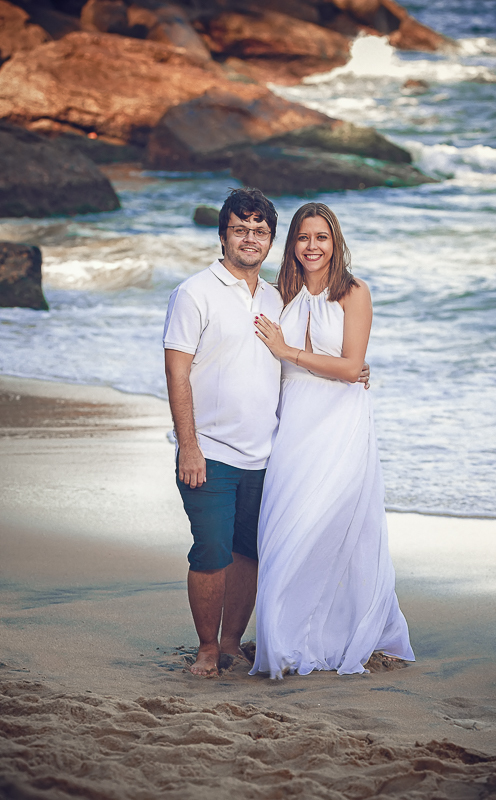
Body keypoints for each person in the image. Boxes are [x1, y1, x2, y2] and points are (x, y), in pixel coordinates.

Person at [163, 188, 370, 677]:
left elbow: (311, 351)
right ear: (222, 235)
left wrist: (354, 370)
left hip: (268, 453)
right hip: (209, 451)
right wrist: (188, 447)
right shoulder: (194, 293)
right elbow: (176, 374)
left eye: (260, 231)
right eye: (240, 228)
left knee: (250, 552)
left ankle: (233, 642)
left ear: (271, 240)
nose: (250, 238)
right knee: (211, 552)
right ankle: (208, 649)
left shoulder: (280, 297)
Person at [250, 202, 414, 678]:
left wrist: (288, 351)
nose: (313, 246)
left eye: (321, 237)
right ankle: (283, 632)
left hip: (340, 420)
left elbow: (348, 368)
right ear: (292, 244)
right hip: (293, 422)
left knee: (333, 523)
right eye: (303, 238)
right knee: (286, 528)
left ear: (335, 242)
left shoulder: (353, 292)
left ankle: (336, 633)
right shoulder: (282, 291)